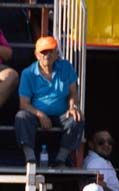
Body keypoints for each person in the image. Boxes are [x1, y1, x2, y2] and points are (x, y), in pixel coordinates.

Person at [14, 36, 82, 167]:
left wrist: (73, 107)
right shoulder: (28, 73)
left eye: (50, 51)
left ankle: (61, 160)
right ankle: (30, 160)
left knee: (77, 118)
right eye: (43, 52)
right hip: (36, 113)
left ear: (57, 53)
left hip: (62, 112)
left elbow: (73, 92)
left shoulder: (66, 67)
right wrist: (40, 115)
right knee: (21, 117)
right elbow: (23, 104)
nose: (47, 55)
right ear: (36, 55)